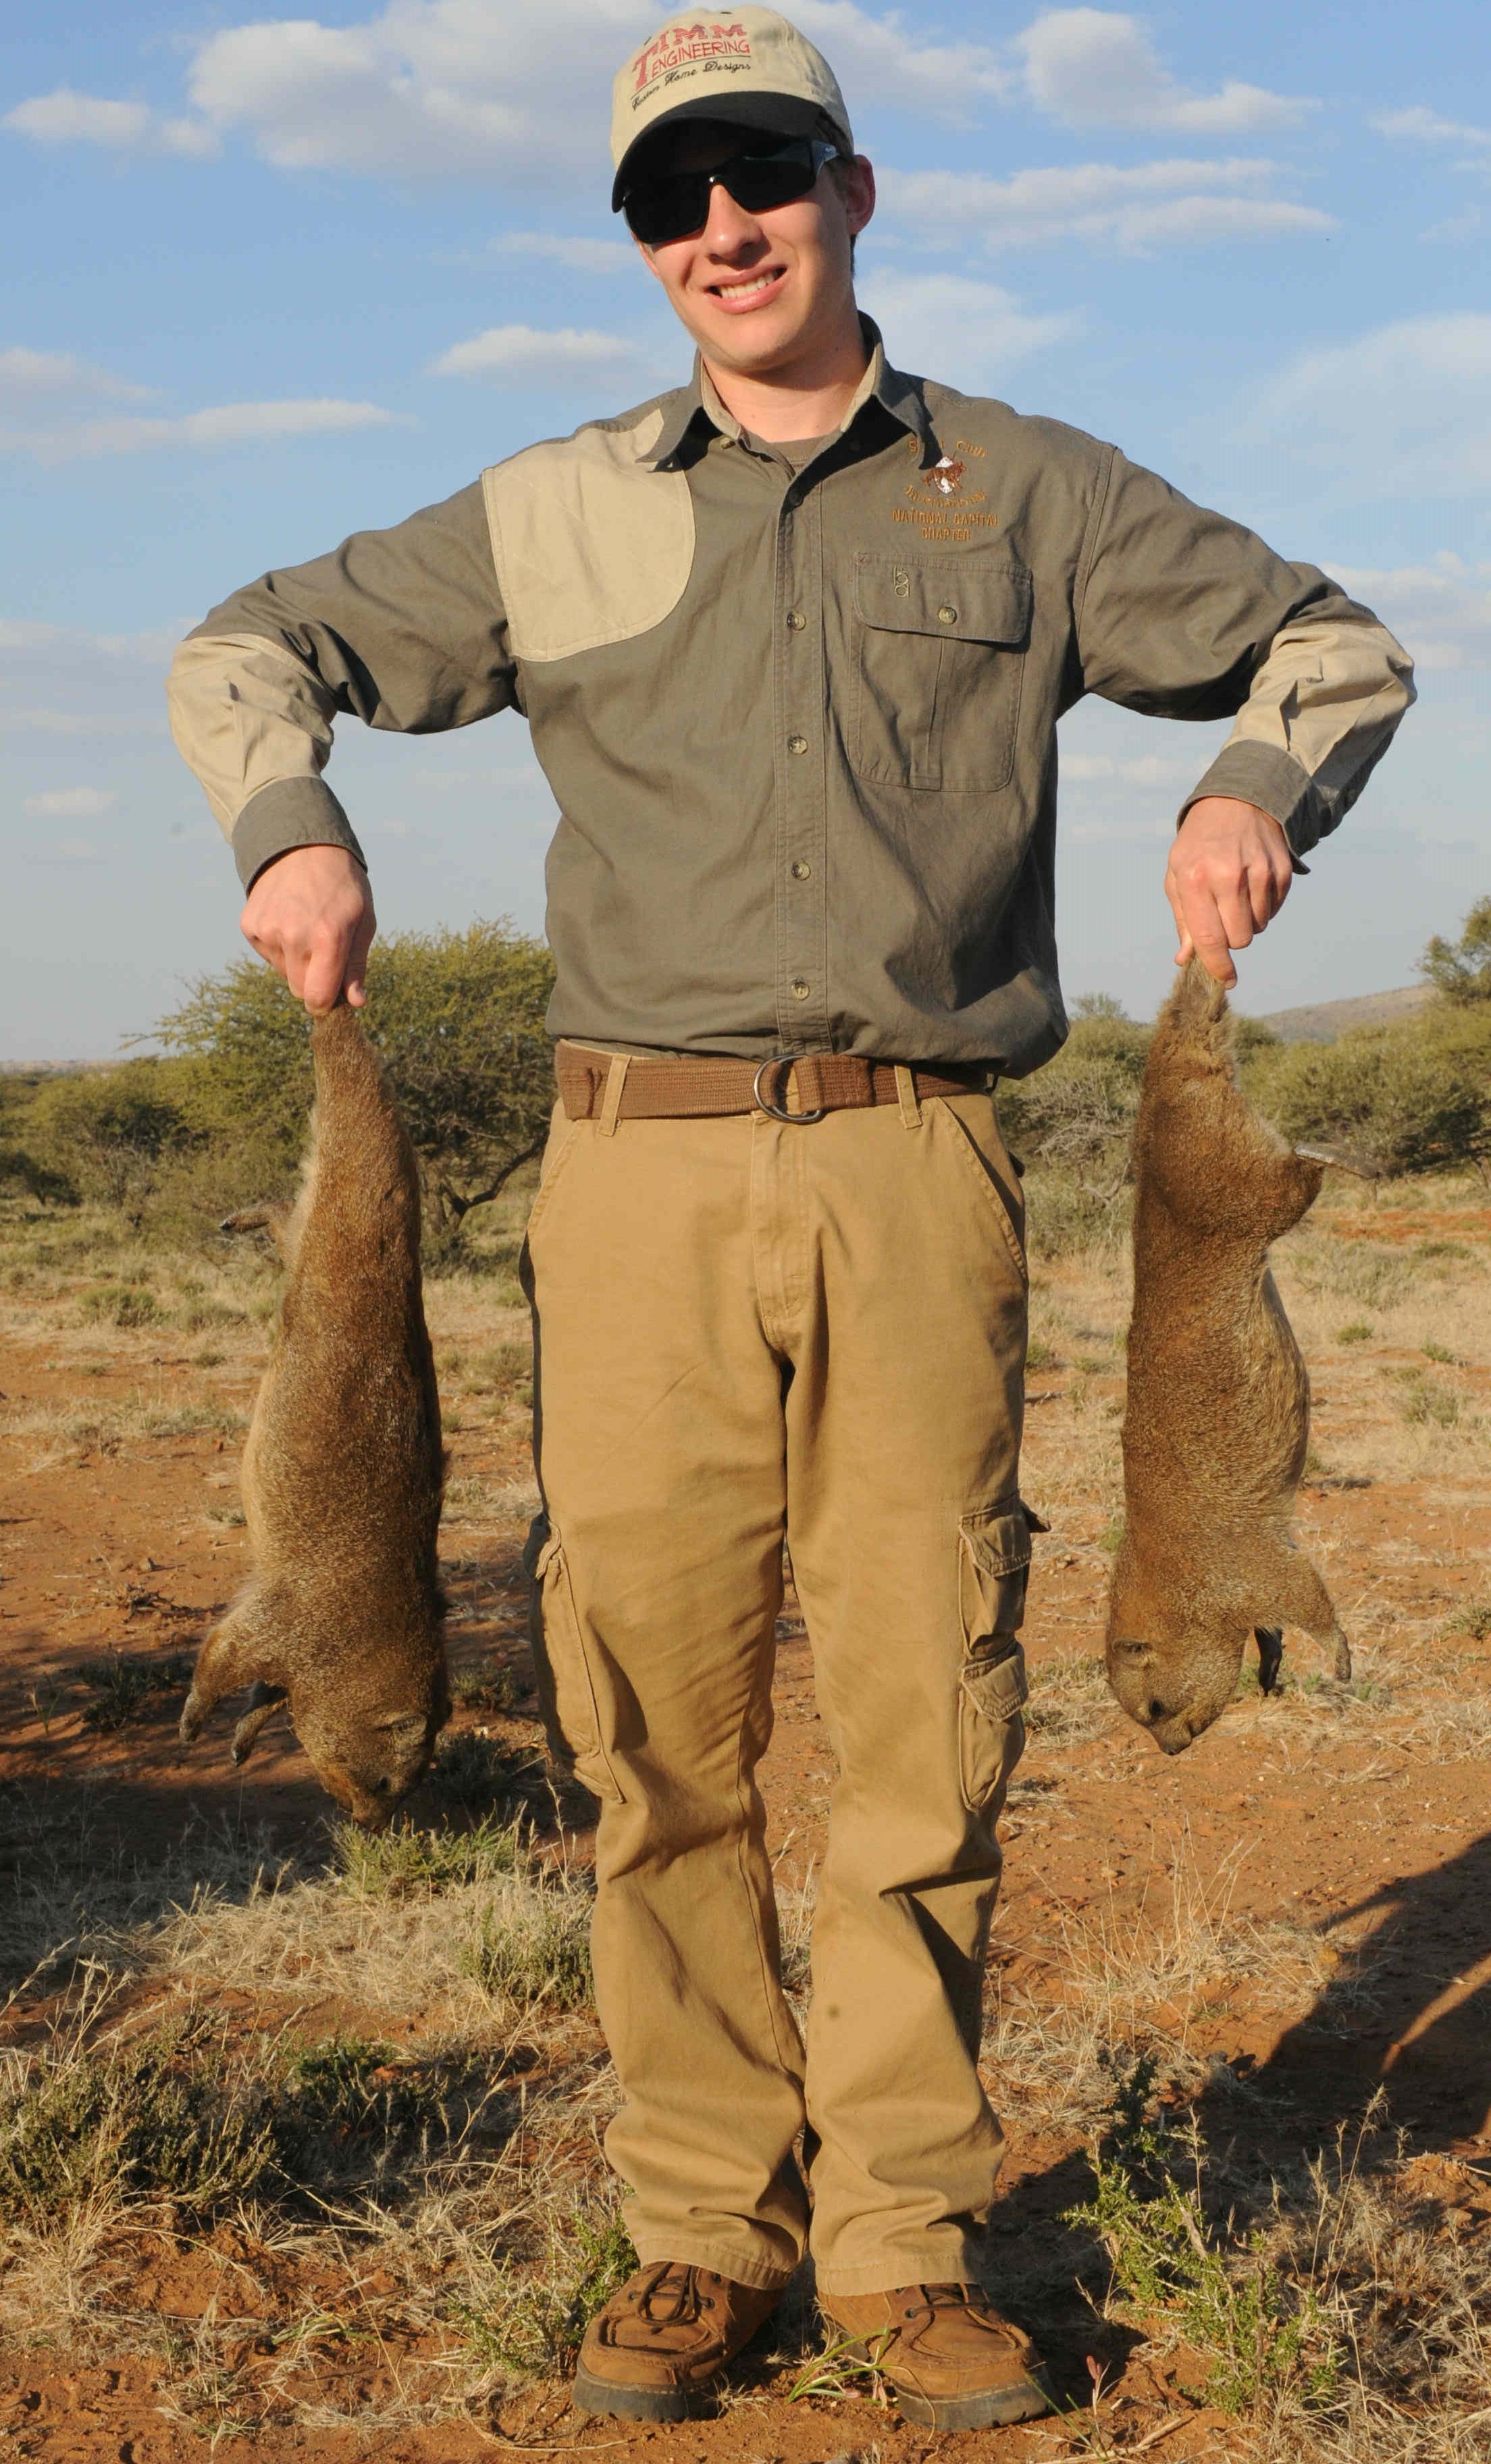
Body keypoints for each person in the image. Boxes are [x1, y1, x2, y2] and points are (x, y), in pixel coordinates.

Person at [167, 5, 1413, 2431]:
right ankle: (696, 2227)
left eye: (761, 174)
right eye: (668, 197)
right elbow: (246, 649)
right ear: (638, 243)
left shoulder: (1028, 491)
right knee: (650, 1721)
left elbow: (1337, 642)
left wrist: (1259, 788)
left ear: (855, 189)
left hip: (918, 1165)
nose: (718, 229)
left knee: (930, 1704)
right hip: (624, 1177)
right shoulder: (547, 514)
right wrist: (288, 823)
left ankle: (909, 2242)